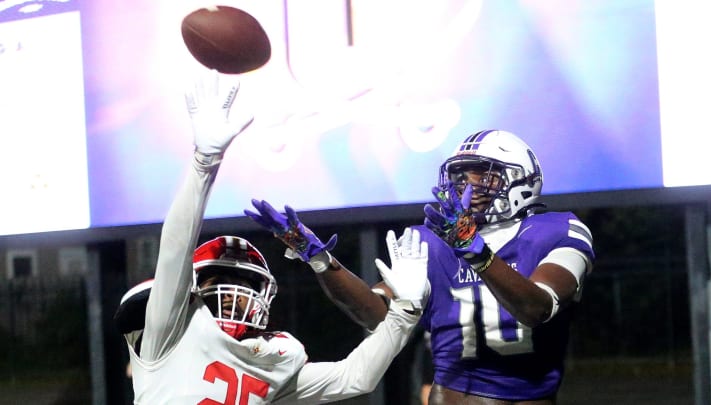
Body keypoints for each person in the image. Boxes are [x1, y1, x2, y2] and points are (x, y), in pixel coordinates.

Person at [121, 70, 431, 404]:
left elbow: (355, 378)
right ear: (193, 287)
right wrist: (204, 164)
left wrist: (406, 311)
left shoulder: (274, 358)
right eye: (220, 279)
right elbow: (175, 247)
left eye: (244, 284)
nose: (233, 293)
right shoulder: (170, 331)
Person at [244, 129, 595, 404]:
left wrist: (475, 251)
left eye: (482, 176)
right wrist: (318, 258)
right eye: (460, 177)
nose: (467, 186)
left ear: (521, 180)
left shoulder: (558, 230)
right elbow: (375, 315)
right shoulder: (430, 239)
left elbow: (536, 307)